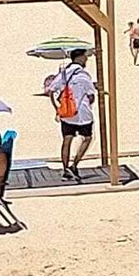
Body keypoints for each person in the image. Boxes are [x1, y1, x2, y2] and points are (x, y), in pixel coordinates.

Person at [45, 48, 98, 181]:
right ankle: (74, 165)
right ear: (79, 58)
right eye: (85, 57)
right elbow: (91, 95)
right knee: (87, 138)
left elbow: (51, 90)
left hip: (67, 113)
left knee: (67, 140)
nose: (86, 59)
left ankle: (65, 169)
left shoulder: (63, 74)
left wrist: (56, 107)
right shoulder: (83, 75)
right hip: (83, 113)